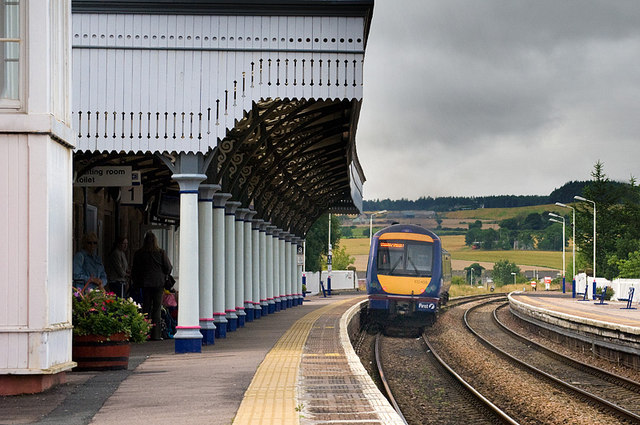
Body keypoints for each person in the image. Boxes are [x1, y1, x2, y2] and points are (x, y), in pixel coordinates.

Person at [131, 231, 172, 340]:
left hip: (145, 283)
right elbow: (168, 267)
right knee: (157, 308)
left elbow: (135, 269)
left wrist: (135, 282)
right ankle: (156, 335)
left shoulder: (139, 253)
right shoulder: (160, 253)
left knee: (146, 308)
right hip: (158, 283)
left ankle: (145, 333)